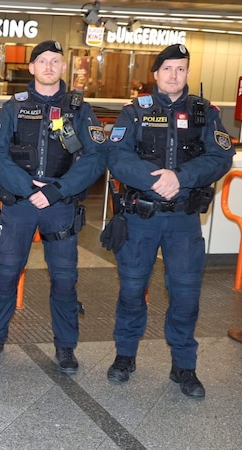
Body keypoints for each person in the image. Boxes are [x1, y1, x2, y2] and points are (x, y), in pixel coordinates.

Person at [103, 44, 233, 398]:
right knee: (131, 291)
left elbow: (221, 156)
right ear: (155, 74)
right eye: (167, 69)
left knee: (186, 296)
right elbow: (116, 154)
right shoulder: (135, 111)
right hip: (140, 217)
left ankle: (184, 367)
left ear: (187, 73)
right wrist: (155, 179)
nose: (173, 75)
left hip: (183, 221)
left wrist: (182, 176)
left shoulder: (205, 112)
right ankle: (125, 357)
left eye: (180, 69)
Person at [0, 40, 106, 374]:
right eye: (42, 61)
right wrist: (25, 187)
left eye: (55, 61)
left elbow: (95, 157)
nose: (49, 67)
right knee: (7, 273)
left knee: (64, 279)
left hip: (60, 203)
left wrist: (56, 190)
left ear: (63, 67)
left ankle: (65, 347)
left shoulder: (79, 109)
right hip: (20, 203)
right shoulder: (13, 107)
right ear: (31, 68)